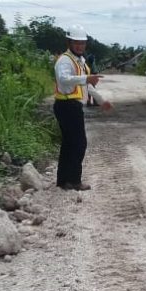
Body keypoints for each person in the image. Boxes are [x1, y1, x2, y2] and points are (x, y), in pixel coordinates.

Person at [53, 25, 112, 191]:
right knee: (79, 143)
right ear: (69, 42)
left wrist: (101, 100)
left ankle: (63, 181)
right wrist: (87, 77)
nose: (80, 46)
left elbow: (87, 85)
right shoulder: (65, 60)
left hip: (72, 106)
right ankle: (74, 180)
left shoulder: (81, 61)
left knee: (69, 144)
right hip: (66, 105)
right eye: (76, 42)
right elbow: (64, 79)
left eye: (82, 43)